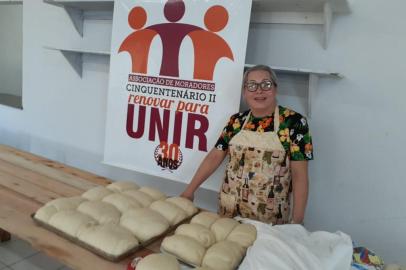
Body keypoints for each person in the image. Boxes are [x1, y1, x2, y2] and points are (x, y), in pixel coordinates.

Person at [181, 64, 313, 224]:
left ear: (275, 89)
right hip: (229, 211)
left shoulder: (294, 123)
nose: (259, 90)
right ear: (244, 92)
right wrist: (189, 191)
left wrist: (297, 221)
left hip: (270, 218)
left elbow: (300, 176)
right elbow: (215, 156)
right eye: (252, 85)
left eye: (266, 84)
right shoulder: (236, 121)